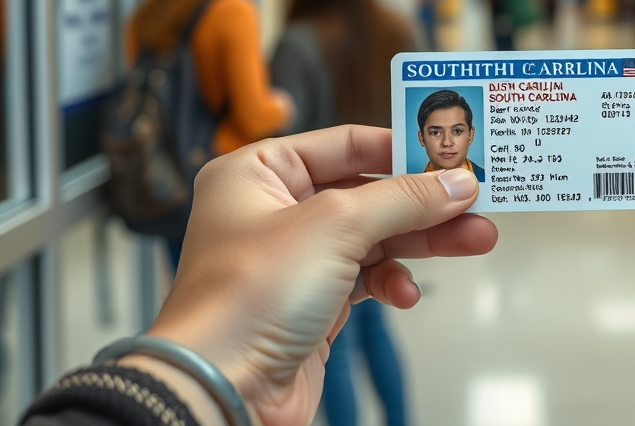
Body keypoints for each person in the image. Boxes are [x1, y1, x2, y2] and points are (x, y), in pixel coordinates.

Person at [18, 126, 498, 426]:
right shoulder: (235, 15)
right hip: (312, 218)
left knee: (351, 341)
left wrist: (227, 372)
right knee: (366, 328)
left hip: (307, 218)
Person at [271, 0, 415, 426]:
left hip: (319, 216)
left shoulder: (299, 43)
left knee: (331, 340)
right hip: (385, 207)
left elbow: (281, 147)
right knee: (374, 327)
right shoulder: (395, 29)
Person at [129, 0, 294, 271]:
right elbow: (255, 117)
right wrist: (282, 104)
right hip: (225, 184)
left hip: (168, 181)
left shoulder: (144, 18)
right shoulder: (234, 12)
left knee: (188, 293)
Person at [416, 89, 484, 181]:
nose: (447, 143)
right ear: (422, 138)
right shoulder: (407, 188)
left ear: (471, 135)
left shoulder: (491, 180)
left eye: (457, 131)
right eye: (435, 133)